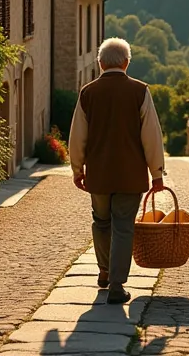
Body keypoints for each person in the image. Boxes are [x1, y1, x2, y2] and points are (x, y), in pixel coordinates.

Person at [68, 37, 166, 304]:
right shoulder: (140, 91)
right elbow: (151, 136)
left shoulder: (88, 93)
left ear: (100, 63)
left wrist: (77, 169)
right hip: (130, 174)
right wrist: (156, 173)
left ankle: (104, 271)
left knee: (101, 222)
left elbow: (77, 136)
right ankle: (116, 285)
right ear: (126, 62)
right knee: (123, 227)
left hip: (98, 175)